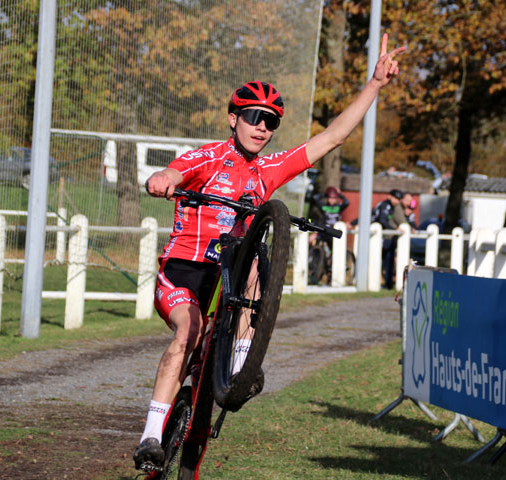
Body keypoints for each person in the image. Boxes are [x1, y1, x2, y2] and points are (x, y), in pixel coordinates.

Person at [134, 34, 405, 469]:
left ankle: (239, 368)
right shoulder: (209, 157)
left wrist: (374, 84)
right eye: (255, 117)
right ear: (233, 119)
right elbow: (176, 169)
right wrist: (163, 179)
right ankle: (149, 436)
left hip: (232, 275)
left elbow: (332, 137)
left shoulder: (268, 170)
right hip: (186, 270)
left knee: (257, 259)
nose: (262, 126)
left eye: (271, 121)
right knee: (188, 334)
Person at [371, 188, 407, 289]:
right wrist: (395, 229)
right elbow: (382, 221)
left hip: (380, 235)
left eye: (399, 199)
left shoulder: (390, 206)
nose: (397, 201)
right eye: (395, 198)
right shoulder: (385, 206)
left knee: (388, 259)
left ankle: (388, 283)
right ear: (389, 196)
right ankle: (382, 283)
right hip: (375, 235)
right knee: (381, 259)